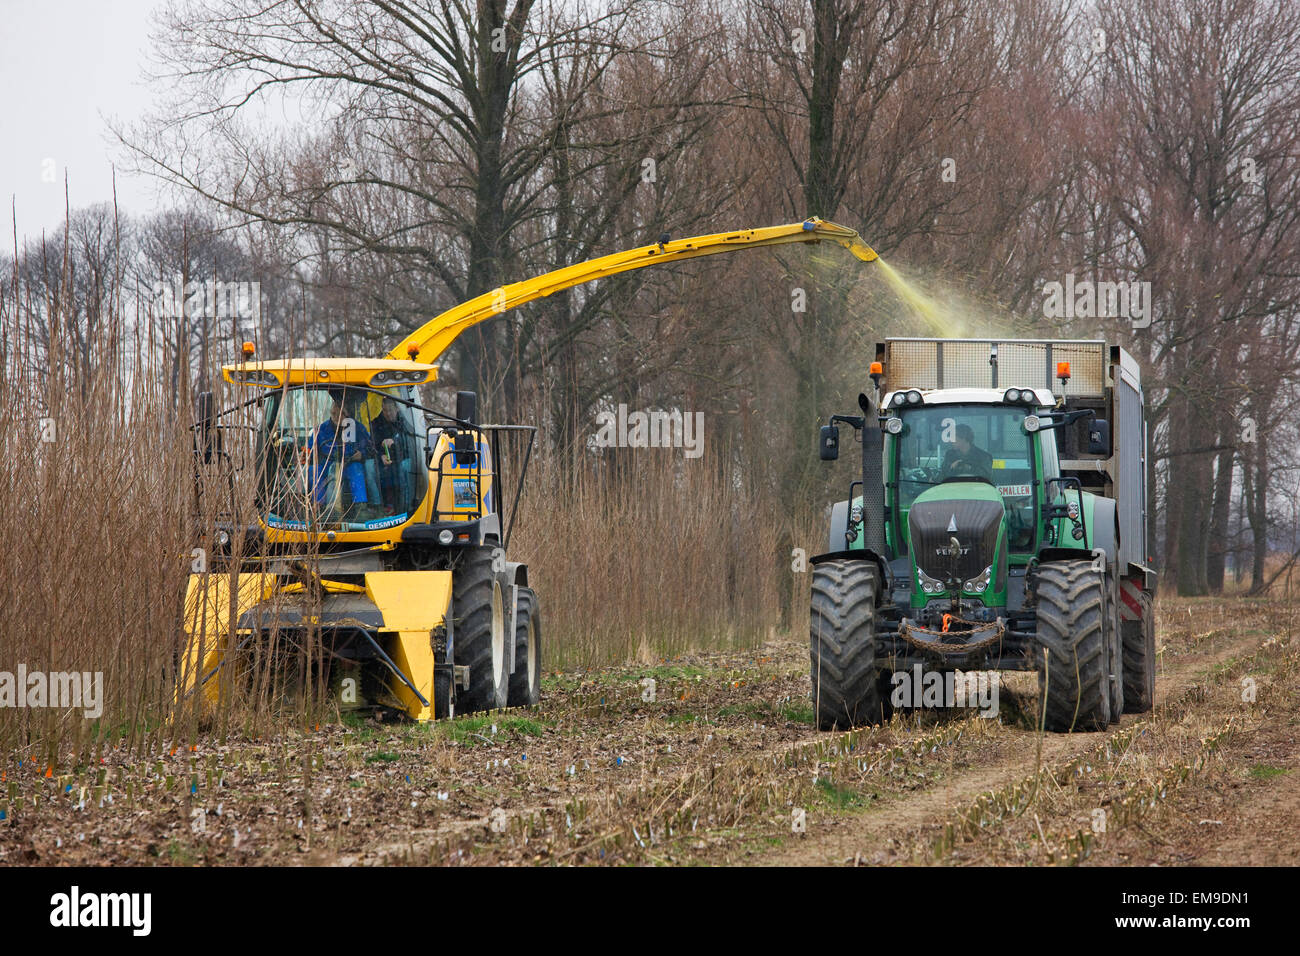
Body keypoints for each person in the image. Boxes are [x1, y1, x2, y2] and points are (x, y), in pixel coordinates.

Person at [306, 391, 373, 509]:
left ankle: (360, 506)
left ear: (348, 415)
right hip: (327, 464)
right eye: (334, 413)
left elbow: (370, 449)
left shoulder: (358, 428)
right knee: (313, 470)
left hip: (349, 464)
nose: (336, 417)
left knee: (356, 470)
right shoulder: (320, 430)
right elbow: (310, 450)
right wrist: (307, 455)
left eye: (341, 414)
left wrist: (361, 455)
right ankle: (319, 506)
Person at [371, 395, 414, 513]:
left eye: (390, 410)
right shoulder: (376, 423)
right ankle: (379, 506)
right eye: (385, 410)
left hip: (403, 459)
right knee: (371, 469)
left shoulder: (405, 422)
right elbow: (370, 444)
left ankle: (405, 506)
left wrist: (396, 442)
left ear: (397, 409)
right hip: (383, 462)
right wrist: (380, 456)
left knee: (404, 468)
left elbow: (411, 443)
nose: (388, 413)